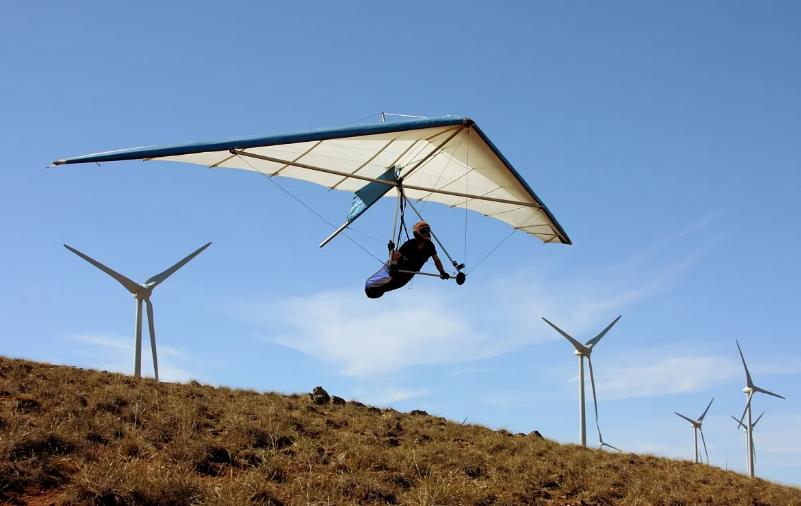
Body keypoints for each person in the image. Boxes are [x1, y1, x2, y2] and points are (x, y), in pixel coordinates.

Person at [365, 221, 450, 298]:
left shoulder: (430, 246)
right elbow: (396, 256)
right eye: (425, 232)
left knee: (381, 288)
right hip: (397, 270)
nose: (427, 234)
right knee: (371, 289)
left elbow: (437, 260)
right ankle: (391, 254)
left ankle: (391, 263)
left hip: (406, 276)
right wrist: (393, 264)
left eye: (428, 232)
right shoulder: (410, 244)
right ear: (418, 233)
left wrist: (442, 272)